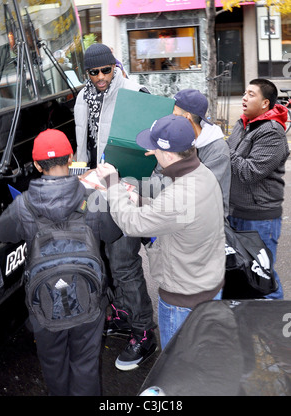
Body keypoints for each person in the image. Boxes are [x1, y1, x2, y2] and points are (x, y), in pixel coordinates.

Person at [0, 129, 122, 396]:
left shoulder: (24, 205)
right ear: (71, 158)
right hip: (89, 299)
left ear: (38, 165)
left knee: (53, 365)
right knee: (85, 365)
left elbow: (0, 232)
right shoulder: (92, 199)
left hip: (44, 304)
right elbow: (113, 234)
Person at [96, 115, 226, 350]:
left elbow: (131, 224)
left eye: (154, 148)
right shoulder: (201, 173)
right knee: (199, 361)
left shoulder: (181, 193)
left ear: (167, 154)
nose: (151, 152)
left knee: (177, 369)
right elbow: (179, 214)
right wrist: (139, 199)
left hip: (183, 301)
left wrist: (113, 183)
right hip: (207, 285)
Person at [74, 43, 157, 371]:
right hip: (95, 190)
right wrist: (79, 189)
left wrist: (140, 192)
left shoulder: (137, 93)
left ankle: (143, 331)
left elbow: (151, 153)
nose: (100, 77)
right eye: (93, 72)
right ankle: (123, 314)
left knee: (124, 261)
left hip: (128, 191)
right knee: (105, 259)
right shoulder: (83, 98)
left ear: (115, 67)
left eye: (105, 70)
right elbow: (83, 147)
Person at [227, 78, 290, 299]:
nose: (244, 98)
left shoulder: (272, 133)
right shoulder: (242, 123)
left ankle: (274, 325)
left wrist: (223, 149)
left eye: (251, 94)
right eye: (244, 93)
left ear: (265, 103)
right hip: (235, 211)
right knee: (243, 272)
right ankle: (249, 322)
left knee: (263, 275)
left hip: (260, 217)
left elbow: (249, 172)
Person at [173, 89, 231, 218]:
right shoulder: (178, 138)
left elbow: (197, 190)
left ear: (187, 117)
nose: (169, 118)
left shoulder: (218, 149)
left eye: (173, 114)